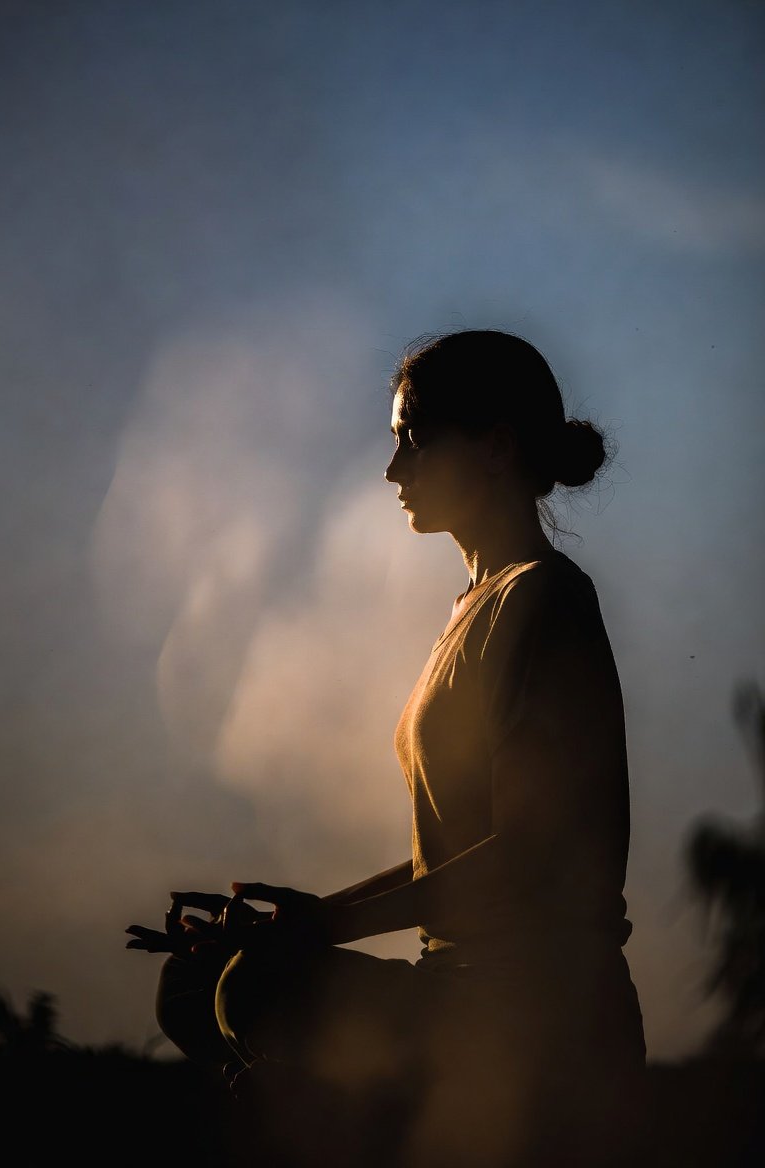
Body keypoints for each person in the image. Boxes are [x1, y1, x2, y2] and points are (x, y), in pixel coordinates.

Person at [126, 329, 651, 1167]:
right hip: (458, 985)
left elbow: (529, 853)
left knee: (256, 988)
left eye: (413, 439)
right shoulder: (468, 608)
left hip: (538, 1008)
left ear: (495, 448)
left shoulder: (547, 599)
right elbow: (453, 856)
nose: (392, 470)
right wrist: (300, 921)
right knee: (197, 984)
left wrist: (326, 931)